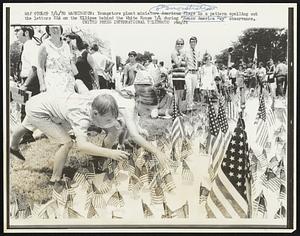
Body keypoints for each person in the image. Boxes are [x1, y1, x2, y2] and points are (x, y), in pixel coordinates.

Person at [10, 89, 169, 183]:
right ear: (140, 103)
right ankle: (55, 180)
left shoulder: (127, 101)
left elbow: (130, 125)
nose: (148, 115)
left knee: (25, 126)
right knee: (66, 143)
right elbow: (82, 146)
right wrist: (111, 153)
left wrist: (129, 127)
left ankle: (13, 146)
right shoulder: (82, 117)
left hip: (46, 100)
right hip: (41, 109)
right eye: (148, 111)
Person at [14, 26, 40, 144]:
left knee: (27, 109)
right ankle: (27, 136)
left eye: (17, 31)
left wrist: (26, 84)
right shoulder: (27, 46)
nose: (16, 33)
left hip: (31, 81)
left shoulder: (31, 45)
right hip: (27, 79)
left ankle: (27, 137)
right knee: (25, 108)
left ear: (26, 32)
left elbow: (34, 68)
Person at [37, 25, 78, 94]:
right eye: (52, 28)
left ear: (61, 29)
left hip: (68, 83)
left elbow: (70, 65)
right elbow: (40, 67)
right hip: (52, 83)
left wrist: (76, 79)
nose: (55, 30)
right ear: (48, 30)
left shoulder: (66, 46)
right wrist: (42, 84)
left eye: (57, 27)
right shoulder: (44, 46)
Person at [171, 38, 187, 114]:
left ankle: (179, 112)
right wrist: (181, 56)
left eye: (181, 44)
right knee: (177, 96)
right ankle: (176, 112)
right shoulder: (174, 53)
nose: (179, 45)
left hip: (182, 78)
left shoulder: (183, 54)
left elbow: (185, 66)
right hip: (176, 78)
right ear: (175, 44)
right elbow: (177, 64)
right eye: (178, 43)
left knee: (181, 96)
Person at [185, 36, 201, 110]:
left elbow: (198, 62)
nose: (193, 43)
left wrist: (199, 72)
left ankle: (190, 104)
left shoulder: (198, 51)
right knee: (189, 89)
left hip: (195, 73)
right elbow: (184, 62)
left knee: (193, 90)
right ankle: (188, 105)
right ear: (189, 43)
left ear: (196, 43)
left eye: (194, 42)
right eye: (191, 42)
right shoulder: (186, 51)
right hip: (189, 72)